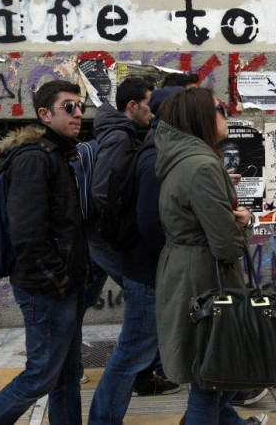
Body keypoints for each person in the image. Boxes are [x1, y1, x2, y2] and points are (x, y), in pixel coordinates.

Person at [0, 80, 90, 425]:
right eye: (69, 107)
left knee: (67, 374)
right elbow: (27, 234)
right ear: (44, 114)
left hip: (57, 286)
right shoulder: (35, 161)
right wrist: (60, 280)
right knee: (40, 375)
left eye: (79, 106)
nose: (78, 113)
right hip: (45, 289)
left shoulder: (56, 154)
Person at [154, 87, 267, 425]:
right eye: (219, 108)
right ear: (201, 117)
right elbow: (227, 245)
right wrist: (245, 223)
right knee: (210, 379)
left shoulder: (182, 158)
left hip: (187, 271)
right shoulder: (203, 165)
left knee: (213, 375)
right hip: (206, 278)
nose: (226, 114)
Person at [88, 85, 183, 424]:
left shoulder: (143, 140)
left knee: (148, 343)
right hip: (142, 262)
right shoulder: (135, 143)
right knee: (132, 349)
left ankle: (218, 414)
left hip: (142, 260)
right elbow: (113, 197)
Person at [83, 77, 155, 309]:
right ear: (132, 106)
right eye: (148, 104)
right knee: (141, 288)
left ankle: (65, 342)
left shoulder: (121, 132)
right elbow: (101, 189)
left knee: (79, 302)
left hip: (97, 233)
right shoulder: (120, 136)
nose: (152, 112)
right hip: (103, 234)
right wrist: (122, 224)